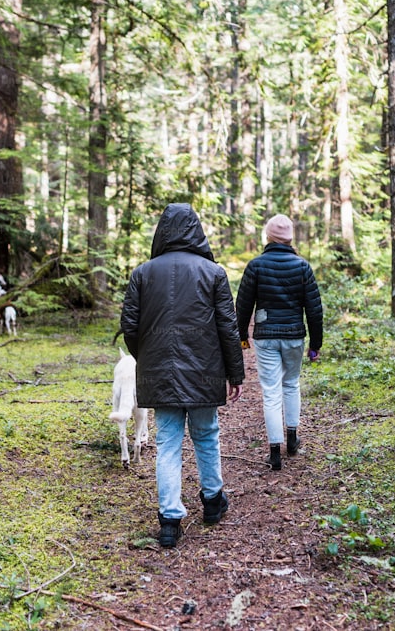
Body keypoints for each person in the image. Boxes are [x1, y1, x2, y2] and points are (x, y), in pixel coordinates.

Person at [120, 203, 245, 548]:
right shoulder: (213, 272)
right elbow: (228, 328)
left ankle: (170, 521)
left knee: (168, 444)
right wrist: (235, 373)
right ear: (196, 231)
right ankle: (212, 502)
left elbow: (129, 327)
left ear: (162, 232)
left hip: (159, 372)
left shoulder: (142, 273)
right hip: (205, 372)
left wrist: (147, 357)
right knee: (206, 435)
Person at [235, 214, 323, 472]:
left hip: (266, 337)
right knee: (291, 384)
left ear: (268, 236)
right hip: (294, 335)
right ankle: (293, 439)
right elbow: (314, 309)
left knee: (271, 392)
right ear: (290, 238)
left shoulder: (255, 266)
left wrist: (241, 337)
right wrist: (315, 344)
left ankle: (275, 452)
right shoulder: (302, 266)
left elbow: (242, 306)